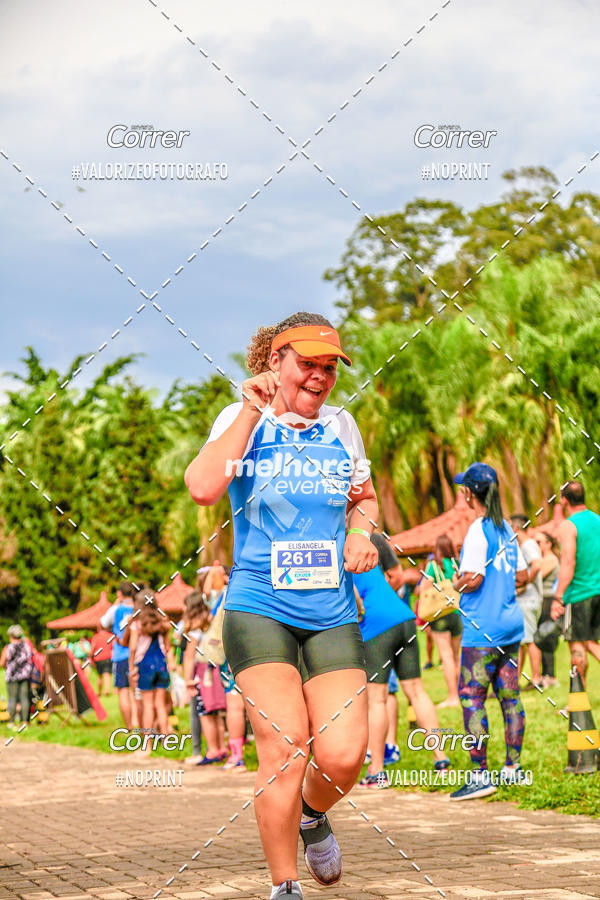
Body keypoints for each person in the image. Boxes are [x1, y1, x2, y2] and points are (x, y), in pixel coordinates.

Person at [185, 312, 379, 900]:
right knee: (286, 745)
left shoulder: (342, 426)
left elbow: (364, 497)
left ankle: (312, 814)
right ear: (276, 361)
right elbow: (202, 487)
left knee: (344, 755)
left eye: (329, 368)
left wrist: (360, 532)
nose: (320, 377)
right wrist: (250, 411)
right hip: (258, 605)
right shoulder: (240, 418)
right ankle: (284, 884)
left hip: (331, 611)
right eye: (308, 364)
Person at [449, 463, 528, 801]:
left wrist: (456, 582)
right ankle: (513, 768)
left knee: (472, 698)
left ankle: (480, 775)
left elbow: (473, 578)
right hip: (511, 626)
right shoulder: (507, 528)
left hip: (482, 630)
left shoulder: (478, 530)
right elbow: (523, 576)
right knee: (510, 697)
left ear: (469, 493)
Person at [354, 550, 450, 788]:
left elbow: (355, 596)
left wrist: (359, 612)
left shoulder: (337, 552)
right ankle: (441, 760)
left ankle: (377, 771)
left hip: (376, 625)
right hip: (403, 618)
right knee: (416, 691)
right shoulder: (362, 549)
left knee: (377, 698)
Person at [551, 481, 600, 684]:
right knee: (590, 641)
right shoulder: (597, 520)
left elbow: (568, 562)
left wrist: (558, 597)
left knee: (577, 645)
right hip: (597, 591)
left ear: (564, 500)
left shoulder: (568, 525)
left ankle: (578, 700)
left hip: (578, 593)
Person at [183, 590, 227, 765]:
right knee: (216, 711)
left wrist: (188, 680)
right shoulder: (211, 622)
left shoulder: (194, 628)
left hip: (201, 673)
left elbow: (189, 656)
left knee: (205, 712)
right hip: (215, 669)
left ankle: (212, 750)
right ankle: (222, 748)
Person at [418, 534, 462, 707]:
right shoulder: (456, 563)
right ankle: (461, 692)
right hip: (456, 612)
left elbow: (424, 587)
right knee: (457, 656)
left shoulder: (433, 565)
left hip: (440, 614)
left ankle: (452, 697)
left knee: (446, 656)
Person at [128, 589, 175, 746]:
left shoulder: (137, 624)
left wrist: (131, 667)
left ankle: (147, 744)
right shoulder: (162, 622)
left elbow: (132, 648)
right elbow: (167, 647)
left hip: (145, 666)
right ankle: (166, 739)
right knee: (160, 705)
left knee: (148, 705)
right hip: (161, 665)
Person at [510, 515, 543, 690]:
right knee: (523, 641)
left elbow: (536, 565)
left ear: (515, 529)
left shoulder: (528, 545)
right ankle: (514, 681)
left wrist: (524, 584)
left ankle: (536, 678)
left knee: (530, 640)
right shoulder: (522, 546)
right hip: (525, 599)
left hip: (528, 599)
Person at [100, 581, 137, 729]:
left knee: (123, 691)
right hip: (137, 654)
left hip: (121, 654)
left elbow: (103, 623)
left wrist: (115, 604)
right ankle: (138, 722)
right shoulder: (137, 607)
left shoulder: (115, 609)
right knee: (136, 691)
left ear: (119, 593)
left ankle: (129, 726)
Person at [534, 531, 560, 687]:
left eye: (539, 542)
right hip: (542, 599)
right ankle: (545, 674)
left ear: (548, 544)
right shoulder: (544, 559)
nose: (536, 545)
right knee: (541, 635)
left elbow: (535, 576)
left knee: (546, 635)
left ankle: (550, 675)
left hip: (547, 600)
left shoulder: (550, 559)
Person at [1, 624, 32, 728]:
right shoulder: (26, 646)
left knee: (12, 698)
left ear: (11, 635)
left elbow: (2, 662)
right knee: (24, 698)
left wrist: (8, 667)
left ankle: (11, 722)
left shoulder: (8, 647)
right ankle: (25, 722)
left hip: (12, 676)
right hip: (25, 675)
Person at [89, 625, 113, 696]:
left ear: (99, 629)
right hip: (108, 657)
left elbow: (92, 648)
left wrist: (90, 657)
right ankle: (107, 690)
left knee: (99, 675)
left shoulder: (95, 637)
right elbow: (113, 647)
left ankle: (99, 692)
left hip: (98, 658)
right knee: (106, 674)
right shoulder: (110, 636)